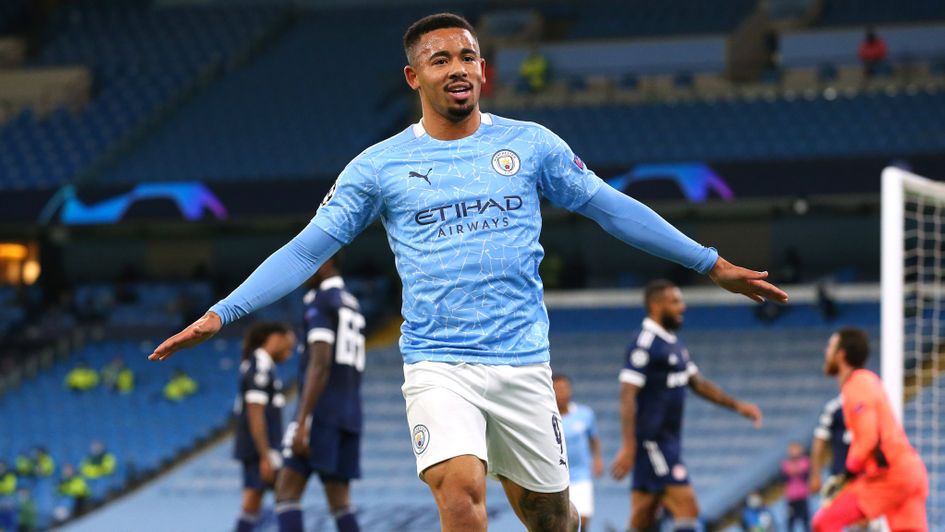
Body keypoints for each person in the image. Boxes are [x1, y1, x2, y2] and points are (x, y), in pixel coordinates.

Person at [147, 13, 787, 531]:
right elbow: (306, 250)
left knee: (551, 517)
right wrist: (222, 312)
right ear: (413, 76)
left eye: (468, 57)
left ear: (483, 68)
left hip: (522, 361)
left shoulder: (532, 144)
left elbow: (611, 209)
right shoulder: (378, 166)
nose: (459, 68)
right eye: (441, 59)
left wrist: (711, 262)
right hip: (437, 363)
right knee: (460, 492)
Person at [610, 280, 764, 531]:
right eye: (675, 301)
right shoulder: (645, 342)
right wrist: (629, 445)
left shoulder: (674, 343)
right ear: (655, 305)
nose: (682, 307)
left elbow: (699, 384)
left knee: (643, 515)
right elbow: (627, 394)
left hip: (668, 441)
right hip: (653, 441)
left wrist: (739, 406)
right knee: (687, 508)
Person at [276, 257, 365, 532]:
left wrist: (302, 419)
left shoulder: (321, 301)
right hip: (350, 412)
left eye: (308, 265)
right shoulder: (351, 302)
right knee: (340, 502)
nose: (303, 274)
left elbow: (320, 362)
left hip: (322, 411)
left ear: (325, 263)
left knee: (286, 492)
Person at [811, 328, 929, 531]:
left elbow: (867, 439)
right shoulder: (866, 382)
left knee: (824, 522)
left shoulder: (857, 384)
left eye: (830, 346)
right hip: (909, 473)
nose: (826, 351)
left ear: (841, 354)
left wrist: (847, 475)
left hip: (891, 476)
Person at [233, 322, 295, 532]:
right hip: (260, 447)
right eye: (289, 343)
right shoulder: (259, 366)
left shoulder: (262, 365)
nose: (291, 350)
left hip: (262, 446)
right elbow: (255, 412)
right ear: (275, 338)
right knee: (287, 495)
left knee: (256, 500)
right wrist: (265, 455)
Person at [552, 374, 603, 532]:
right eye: (557, 389)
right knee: (558, 524)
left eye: (564, 388)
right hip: (556, 478)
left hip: (581, 475)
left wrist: (597, 459)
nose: (562, 393)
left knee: (583, 520)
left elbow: (593, 439)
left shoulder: (584, 414)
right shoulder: (547, 418)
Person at [808, 395, 849, 497]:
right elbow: (820, 439)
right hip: (840, 475)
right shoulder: (835, 407)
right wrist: (815, 474)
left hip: (867, 475)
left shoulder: (870, 403)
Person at [782, 441, 811, 532]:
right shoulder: (785, 463)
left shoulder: (805, 461)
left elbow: (806, 474)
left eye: (796, 449)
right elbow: (783, 477)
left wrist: (796, 470)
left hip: (802, 496)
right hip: (791, 498)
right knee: (790, 523)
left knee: (805, 522)